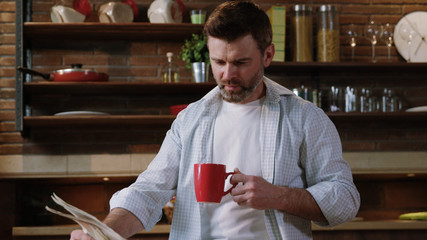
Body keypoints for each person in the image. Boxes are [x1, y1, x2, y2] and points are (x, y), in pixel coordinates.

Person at [71, 1, 360, 239]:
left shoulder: (306, 118)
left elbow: (346, 199)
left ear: (268, 55)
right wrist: (103, 232)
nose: (227, 74)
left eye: (240, 62)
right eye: (218, 62)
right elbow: (148, 191)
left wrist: (278, 196)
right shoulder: (189, 120)